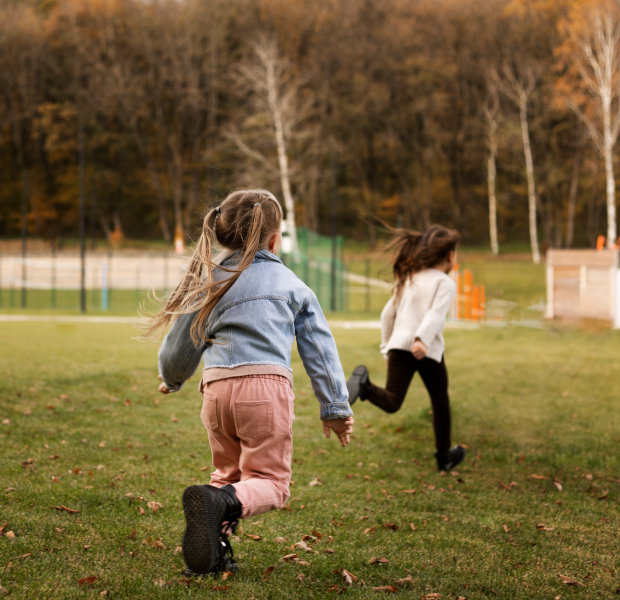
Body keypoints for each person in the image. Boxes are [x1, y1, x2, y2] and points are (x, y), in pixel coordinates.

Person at [148, 189, 354, 576]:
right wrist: (335, 408)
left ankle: (212, 557)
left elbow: (180, 344)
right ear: (274, 240)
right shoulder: (291, 284)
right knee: (272, 484)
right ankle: (216, 511)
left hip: (216, 393)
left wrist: (172, 379)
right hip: (265, 390)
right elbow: (320, 352)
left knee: (226, 480)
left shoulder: (210, 281)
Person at [346, 225, 465, 472]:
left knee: (392, 401)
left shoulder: (409, 277)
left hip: (398, 346)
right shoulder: (444, 282)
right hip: (425, 349)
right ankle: (444, 457)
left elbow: (387, 315)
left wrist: (387, 348)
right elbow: (436, 314)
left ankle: (365, 386)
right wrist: (421, 339)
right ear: (451, 255)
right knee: (440, 401)